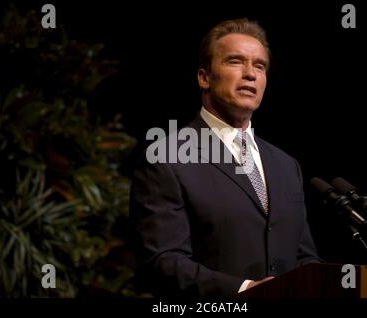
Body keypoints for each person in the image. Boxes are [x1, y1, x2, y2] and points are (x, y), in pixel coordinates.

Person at [130, 18, 320, 297]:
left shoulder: (286, 165)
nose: (250, 74)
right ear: (204, 77)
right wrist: (244, 290)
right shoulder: (168, 158)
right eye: (235, 62)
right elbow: (163, 260)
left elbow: (304, 256)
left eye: (259, 66)